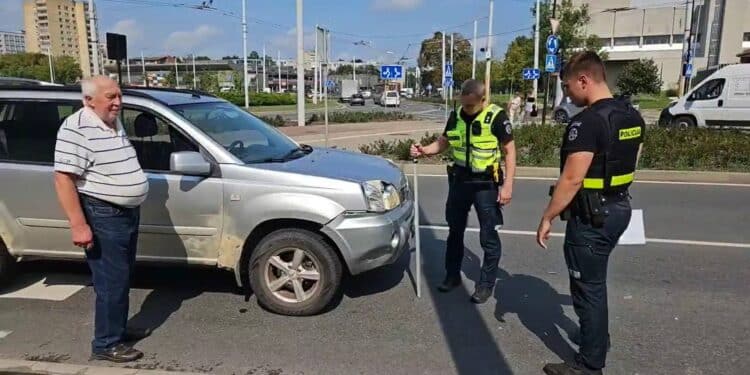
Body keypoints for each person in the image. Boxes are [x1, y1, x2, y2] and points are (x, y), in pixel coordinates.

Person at [536, 51, 644, 375]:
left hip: (593, 216)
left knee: (588, 287)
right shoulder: (631, 115)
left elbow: (571, 179)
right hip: (620, 207)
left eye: (568, 86)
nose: (567, 94)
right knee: (596, 282)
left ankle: (589, 365)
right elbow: (632, 162)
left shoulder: (586, 122)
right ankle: (597, 339)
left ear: (584, 79)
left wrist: (547, 217)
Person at [53, 76, 150, 362]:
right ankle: (106, 343)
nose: (118, 102)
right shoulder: (77, 129)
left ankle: (116, 329)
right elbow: (63, 179)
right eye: (110, 97)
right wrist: (79, 224)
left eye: (119, 95)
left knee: (122, 276)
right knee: (111, 282)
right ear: (88, 100)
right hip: (103, 214)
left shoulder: (111, 121)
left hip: (125, 213)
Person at [411, 79, 516, 304]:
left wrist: (507, 185)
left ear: (483, 100)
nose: (466, 109)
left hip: (485, 184)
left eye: (471, 105)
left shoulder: (496, 116)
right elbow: (443, 142)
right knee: (454, 231)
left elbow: (509, 151)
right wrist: (424, 150)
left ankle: (486, 284)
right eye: (464, 104)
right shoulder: (456, 115)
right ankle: (452, 276)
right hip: (459, 180)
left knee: (488, 236)